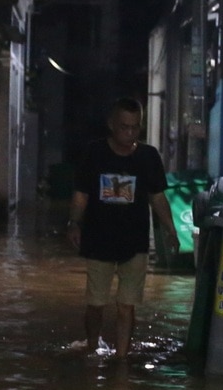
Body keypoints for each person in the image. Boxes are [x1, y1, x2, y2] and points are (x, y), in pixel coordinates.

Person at [67, 98, 178, 359]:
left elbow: (158, 197)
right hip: (98, 240)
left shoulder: (148, 157)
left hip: (135, 243)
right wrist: (74, 223)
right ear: (111, 125)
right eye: (124, 127)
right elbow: (81, 194)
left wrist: (170, 229)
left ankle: (121, 359)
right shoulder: (94, 154)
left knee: (127, 306)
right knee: (95, 304)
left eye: (135, 128)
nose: (129, 134)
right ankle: (93, 347)